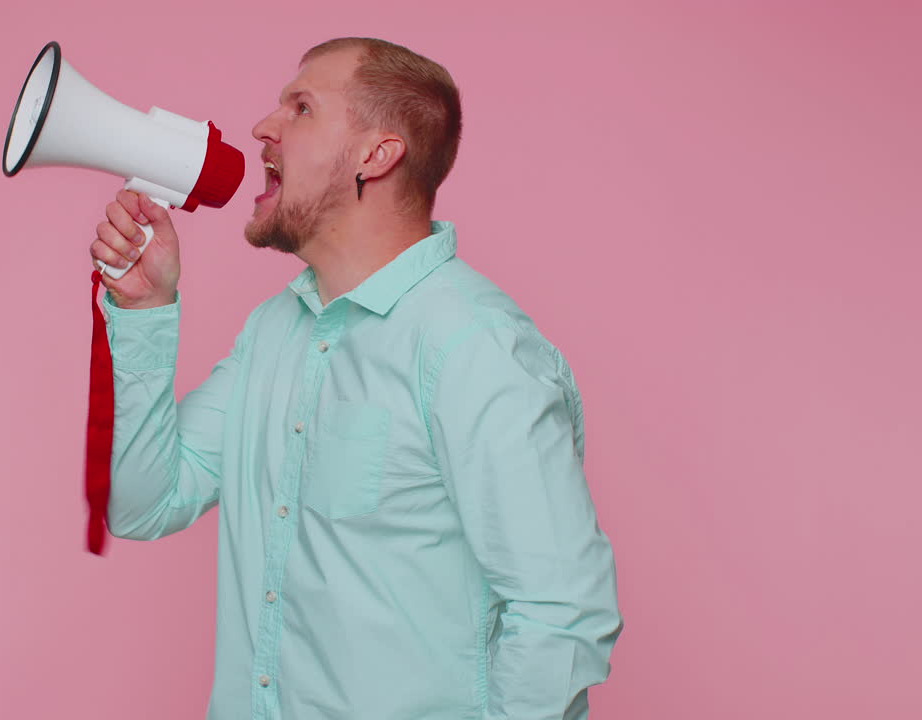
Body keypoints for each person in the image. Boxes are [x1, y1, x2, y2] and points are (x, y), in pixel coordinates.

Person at [88, 37, 622, 720]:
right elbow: (142, 504)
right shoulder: (271, 333)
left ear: (378, 154)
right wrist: (144, 311)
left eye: (302, 108)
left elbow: (563, 613)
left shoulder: (476, 349)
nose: (262, 128)